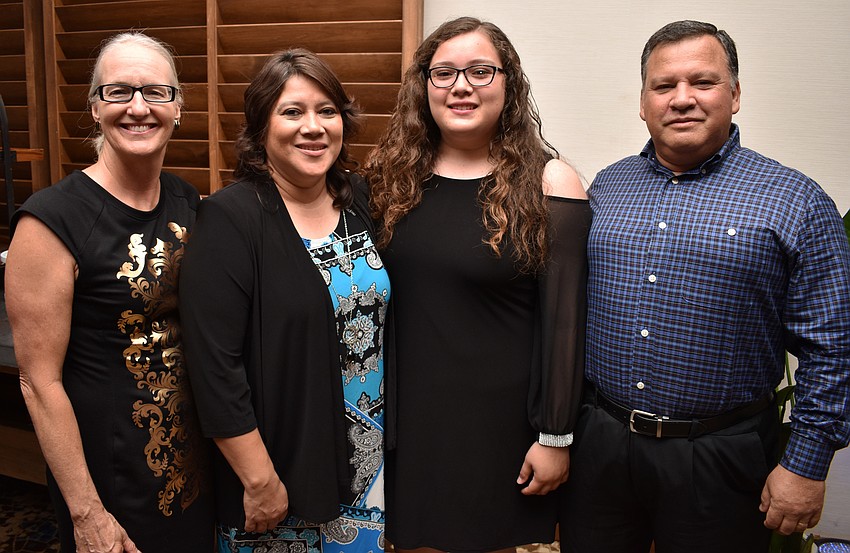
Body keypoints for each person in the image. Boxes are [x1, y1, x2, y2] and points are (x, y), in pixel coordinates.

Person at [560, 20, 850, 553]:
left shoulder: (797, 202)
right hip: (601, 443)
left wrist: (806, 465)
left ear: (735, 95)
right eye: (664, 86)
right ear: (643, 102)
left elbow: (833, 348)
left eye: (703, 82)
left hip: (719, 455)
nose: (682, 99)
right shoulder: (607, 185)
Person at [365, 16, 590, 552]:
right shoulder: (389, 179)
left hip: (499, 430)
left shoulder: (551, 181)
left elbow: (565, 324)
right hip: (408, 424)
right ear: (423, 87)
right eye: (443, 73)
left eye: (480, 71)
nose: (460, 86)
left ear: (508, 83)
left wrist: (554, 437)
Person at [5, 32, 214, 552]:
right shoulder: (51, 220)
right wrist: (87, 511)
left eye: (155, 92)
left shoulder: (187, 201)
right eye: (118, 92)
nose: (138, 107)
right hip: (107, 472)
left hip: (188, 460)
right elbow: (38, 381)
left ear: (178, 107)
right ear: (95, 108)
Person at [178, 48, 389, 553]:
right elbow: (215, 367)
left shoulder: (360, 200)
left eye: (327, 110)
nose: (313, 127)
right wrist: (258, 479)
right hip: (279, 469)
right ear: (261, 127)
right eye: (292, 112)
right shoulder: (231, 219)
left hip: (370, 465)